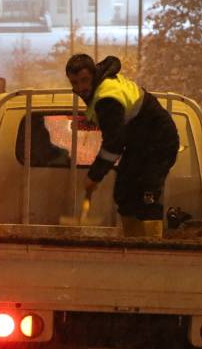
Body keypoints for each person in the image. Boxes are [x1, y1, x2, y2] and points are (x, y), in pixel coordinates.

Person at [65, 53, 179, 237]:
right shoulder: (101, 89)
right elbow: (116, 128)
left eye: (84, 80)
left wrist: (94, 176)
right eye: (75, 83)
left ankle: (151, 250)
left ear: (93, 75)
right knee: (124, 193)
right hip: (139, 142)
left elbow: (114, 145)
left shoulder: (106, 97)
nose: (81, 87)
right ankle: (133, 244)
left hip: (159, 142)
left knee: (146, 196)